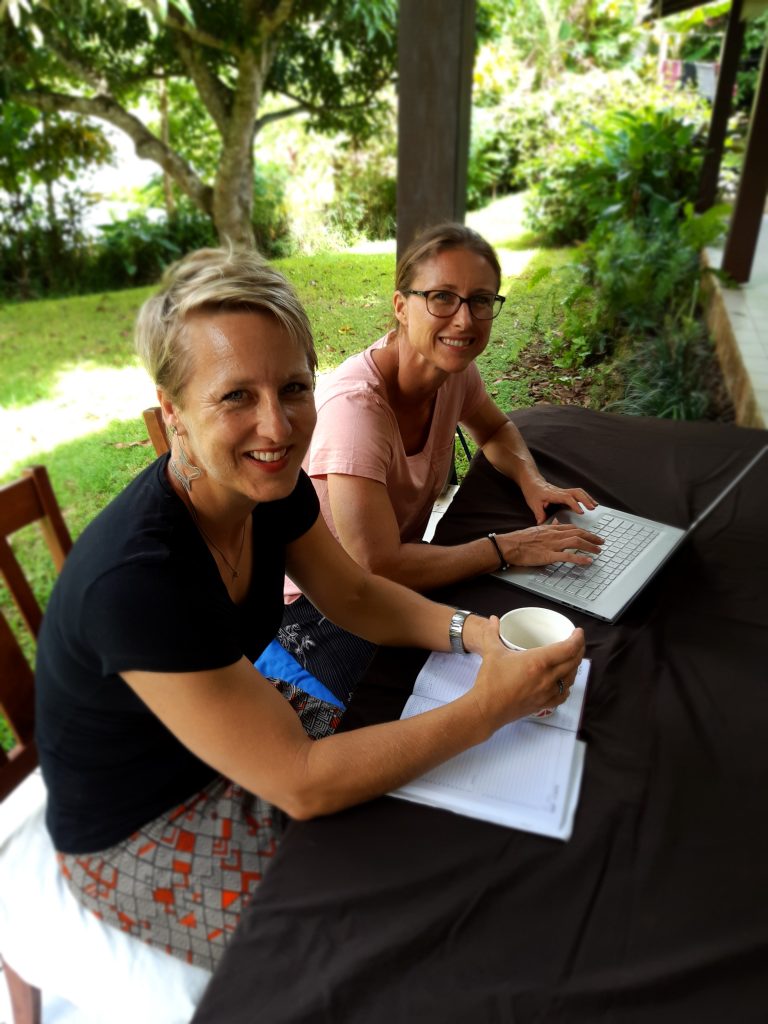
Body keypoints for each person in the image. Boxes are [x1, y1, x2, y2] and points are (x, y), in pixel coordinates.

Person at [35, 246, 585, 973]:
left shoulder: (270, 488)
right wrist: (486, 708)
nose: (279, 427)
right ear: (172, 414)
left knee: (447, 841)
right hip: (142, 822)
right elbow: (301, 779)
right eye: (236, 396)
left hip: (239, 729)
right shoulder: (137, 582)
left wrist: (474, 633)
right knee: (379, 946)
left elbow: (354, 594)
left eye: (294, 387)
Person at [280, 222, 602, 702]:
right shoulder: (355, 410)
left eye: (480, 301)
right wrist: (507, 547)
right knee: (416, 695)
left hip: (390, 575)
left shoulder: (453, 374)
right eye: (442, 297)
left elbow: (495, 429)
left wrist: (533, 482)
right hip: (320, 601)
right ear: (400, 306)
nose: (464, 320)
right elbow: (377, 567)